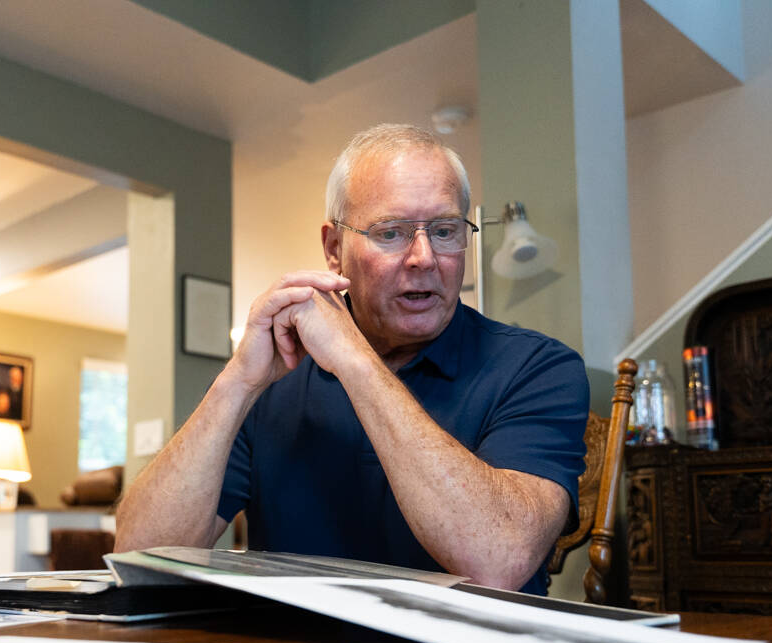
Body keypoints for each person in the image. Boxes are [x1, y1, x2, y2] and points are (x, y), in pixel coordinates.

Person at [115, 124, 588, 593]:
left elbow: (499, 559)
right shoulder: (272, 378)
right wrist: (237, 380)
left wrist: (356, 361)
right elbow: (141, 557)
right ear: (333, 249)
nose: (424, 257)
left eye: (445, 231)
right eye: (391, 233)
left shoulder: (539, 368)